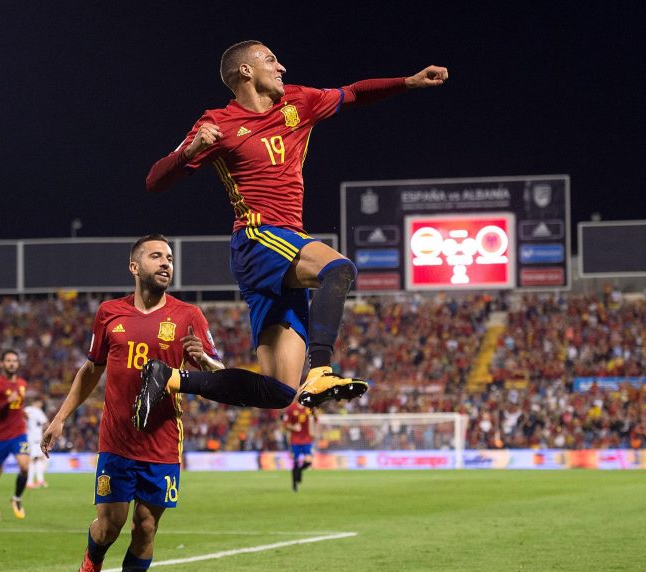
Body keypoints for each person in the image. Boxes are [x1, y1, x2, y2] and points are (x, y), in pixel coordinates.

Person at [138, 40, 448, 426]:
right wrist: (188, 153)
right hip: (258, 239)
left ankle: (169, 378)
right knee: (339, 268)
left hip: (283, 247)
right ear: (245, 72)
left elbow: (352, 93)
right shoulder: (215, 123)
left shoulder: (299, 103)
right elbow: (154, 181)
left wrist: (408, 82)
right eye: (270, 59)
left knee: (280, 390)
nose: (281, 66)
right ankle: (321, 370)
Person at [41, 234, 224, 572]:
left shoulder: (189, 316)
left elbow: (218, 374)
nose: (166, 263)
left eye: (170, 258)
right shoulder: (109, 313)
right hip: (117, 440)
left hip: (161, 443)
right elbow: (91, 370)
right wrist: (60, 417)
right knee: (110, 525)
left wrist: (205, 361)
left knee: (146, 526)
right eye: (156, 256)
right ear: (134, 266)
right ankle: (92, 560)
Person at [0, 349, 30, 520]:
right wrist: (6, 402)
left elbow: (17, 404)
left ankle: (16, 498)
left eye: (14, 361)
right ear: (2, 364)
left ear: (18, 364)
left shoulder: (22, 384)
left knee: (25, 467)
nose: (12, 363)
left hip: (19, 433)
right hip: (0, 436)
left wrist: (21, 411)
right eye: (8, 360)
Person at [283, 401, 315, 492]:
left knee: (308, 461)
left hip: (306, 439)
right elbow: (285, 424)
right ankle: (294, 485)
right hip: (295, 440)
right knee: (296, 462)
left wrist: (313, 430)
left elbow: (314, 420)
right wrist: (293, 427)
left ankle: (299, 472)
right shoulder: (291, 409)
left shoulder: (309, 409)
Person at [24, 397, 49, 488]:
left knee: (37, 459)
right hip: (35, 439)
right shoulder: (37, 411)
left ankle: (40, 480)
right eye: (40, 403)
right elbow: (46, 423)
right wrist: (48, 435)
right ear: (36, 402)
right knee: (33, 460)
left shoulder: (26, 410)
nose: (41, 405)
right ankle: (29, 482)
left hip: (27, 438)